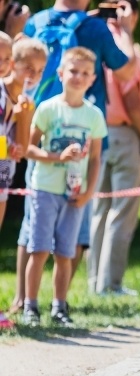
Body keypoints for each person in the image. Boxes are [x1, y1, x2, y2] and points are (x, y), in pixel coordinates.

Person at [10, 0, 137, 315]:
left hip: (34, 128)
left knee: (31, 230)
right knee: (71, 241)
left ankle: (23, 300)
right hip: (76, 151)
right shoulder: (95, 28)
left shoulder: (36, 22)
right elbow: (128, 72)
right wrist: (127, 31)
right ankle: (57, 303)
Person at [21, 46, 107, 326]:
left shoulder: (94, 115)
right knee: (40, 249)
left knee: (65, 253)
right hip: (46, 189)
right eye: (73, 71)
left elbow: (95, 159)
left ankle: (60, 307)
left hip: (75, 194)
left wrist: (88, 193)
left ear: (92, 79)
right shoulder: (47, 109)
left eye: (85, 73)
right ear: (60, 73)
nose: (78, 77)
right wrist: (58, 156)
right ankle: (30, 307)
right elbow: (29, 149)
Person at [88, 0, 140, 296]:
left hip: (99, 132)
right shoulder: (123, 42)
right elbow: (131, 101)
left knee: (100, 209)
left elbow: (121, 86)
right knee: (122, 212)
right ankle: (111, 285)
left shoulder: (96, 38)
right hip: (125, 135)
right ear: (131, 13)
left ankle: (96, 282)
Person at [0, 36, 41, 330]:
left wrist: (23, 115)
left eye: (39, 70)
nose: (32, 76)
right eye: (28, 68)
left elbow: (22, 147)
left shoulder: (24, 100)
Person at [0, 31, 32, 232]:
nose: (2, 64)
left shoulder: (12, 96)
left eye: (6, 59)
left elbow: (20, 148)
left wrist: (22, 118)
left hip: (3, 176)